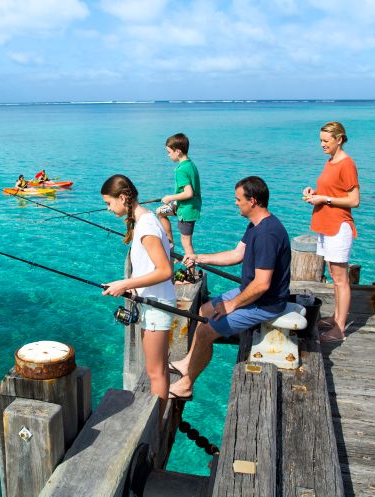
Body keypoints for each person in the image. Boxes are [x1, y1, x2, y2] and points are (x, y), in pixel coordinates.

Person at [168, 176, 291, 400]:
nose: (235, 203)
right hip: (253, 293)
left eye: (238, 199)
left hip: (266, 303)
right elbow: (237, 254)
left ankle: (186, 385)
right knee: (204, 311)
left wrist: (232, 304)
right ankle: (187, 363)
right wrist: (199, 257)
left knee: (205, 331)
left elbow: (262, 284)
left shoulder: (266, 235)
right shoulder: (257, 225)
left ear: (252, 201)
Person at [101, 174, 176, 419]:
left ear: (123, 198)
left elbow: (165, 270)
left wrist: (125, 283)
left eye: (109, 203)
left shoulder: (145, 226)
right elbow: (151, 267)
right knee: (158, 368)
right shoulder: (147, 220)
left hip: (157, 307)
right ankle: (158, 418)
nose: (108, 208)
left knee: (155, 372)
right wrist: (133, 288)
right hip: (153, 303)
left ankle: (157, 424)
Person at [303, 121, 360, 343]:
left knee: (340, 279)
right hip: (326, 224)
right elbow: (332, 191)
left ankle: (340, 329)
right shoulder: (331, 162)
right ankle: (336, 317)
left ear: (340, 139)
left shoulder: (347, 164)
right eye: (320, 140)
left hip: (338, 226)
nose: (322, 145)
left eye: (326, 141)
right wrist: (314, 193)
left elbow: (354, 200)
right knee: (335, 276)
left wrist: (324, 199)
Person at [157, 133, 201, 256]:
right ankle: (170, 244)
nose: (168, 155)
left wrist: (170, 197)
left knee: (187, 244)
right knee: (160, 212)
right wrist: (175, 202)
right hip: (184, 207)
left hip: (186, 212)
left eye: (169, 152)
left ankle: (191, 273)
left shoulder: (181, 170)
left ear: (178, 151)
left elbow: (189, 193)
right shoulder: (190, 165)